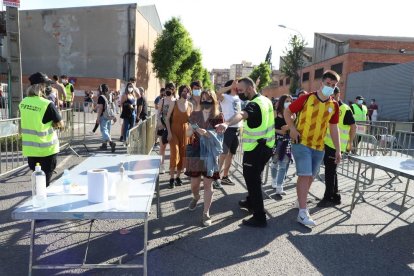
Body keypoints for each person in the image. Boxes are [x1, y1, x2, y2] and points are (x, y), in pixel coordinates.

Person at [284, 70, 341, 227]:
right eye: (328, 84)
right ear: (321, 83)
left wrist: (338, 149)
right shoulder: (307, 98)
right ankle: (303, 212)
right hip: (301, 143)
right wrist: (292, 129)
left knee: (310, 177)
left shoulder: (333, 105)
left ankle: (299, 201)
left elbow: (333, 127)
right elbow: (287, 111)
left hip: (319, 146)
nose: (330, 87)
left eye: (333, 85)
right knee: (305, 175)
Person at [216, 77, 275, 228]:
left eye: (240, 90)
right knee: (255, 177)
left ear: (249, 89)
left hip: (256, 149)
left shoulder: (254, 105)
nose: (239, 93)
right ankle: (250, 201)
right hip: (267, 147)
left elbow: (242, 115)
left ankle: (259, 216)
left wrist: (227, 122)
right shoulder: (265, 100)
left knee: (253, 180)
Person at [186, 90, 224, 227]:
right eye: (203, 98)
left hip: (210, 154)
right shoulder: (195, 114)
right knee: (194, 184)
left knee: (208, 184)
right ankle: (196, 197)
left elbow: (220, 137)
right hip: (196, 151)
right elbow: (187, 133)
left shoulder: (219, 116)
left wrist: (207, 133)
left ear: (213, 100)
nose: (205, 101)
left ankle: (206, 213)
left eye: (208, 99)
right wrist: (194, 129)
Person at [19, 72, 64, 187]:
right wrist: (54, 123)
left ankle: (37, 199)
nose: (48, 88)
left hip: (31, 151)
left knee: (37, 181)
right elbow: (61, 125)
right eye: (46, 85)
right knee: (45, 184)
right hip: (47, 150)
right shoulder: (47, 104)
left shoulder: (23, 103)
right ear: (41, 87)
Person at [318, 87, 356, 207]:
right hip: (327, 144)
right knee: (331, 171)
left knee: (330, 172)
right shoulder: (329, 106)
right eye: (331, 94)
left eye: (335, 94)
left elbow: (353, 126)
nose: (333, 96)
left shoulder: (344, 109)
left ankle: (328, 196)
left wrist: (350, 143)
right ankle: (335, 195)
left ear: (339, 94)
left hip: (336, 145)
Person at [216, 79, 242, 188]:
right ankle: (215, 177)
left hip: (237, 129)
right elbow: (218, 93)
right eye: (236, 85)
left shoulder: (238, 97)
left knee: (231, 155)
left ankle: (225, 177)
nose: (238, 87)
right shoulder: (225, 97)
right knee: (223, 155)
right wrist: (230, 86)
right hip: (227, 129)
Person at [166, 85, 192, 188]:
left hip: (185, 133)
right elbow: (167, 118)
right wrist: (168, 132)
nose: (185, 93)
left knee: (182, 155)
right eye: (184, 91)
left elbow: (191, 121)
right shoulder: (174, 103)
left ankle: (178, 177)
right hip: (173, 131)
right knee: (175, 153)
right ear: (180, 92)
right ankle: (171, 178)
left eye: (187, 91)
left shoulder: (190, 105)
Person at [270, 94, 294, 195]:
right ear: (282, 102)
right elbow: (269, 127)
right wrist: (279, 131)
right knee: (275, 163)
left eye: (290, 101)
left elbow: (294, 127)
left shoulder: (293, 114)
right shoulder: (275, 113)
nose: (289, 102)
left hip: (287, 142)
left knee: (283, 165)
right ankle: (274, 181)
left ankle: (279, 187)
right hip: (276, 141)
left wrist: (289, 127)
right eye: (286, 100)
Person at [158, 83, 176, 174]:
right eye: (167, 88)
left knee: (173, 147)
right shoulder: (162, 101)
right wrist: (160, 123)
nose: (169, 90)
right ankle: (161, 165)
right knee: (162, 147)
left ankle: (173, 166)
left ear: (174, 90)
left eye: (171, 88)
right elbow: (158, 114)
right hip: (162, 126)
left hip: (173, 126)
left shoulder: (175, 101)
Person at [96, 84, 117, 152]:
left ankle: (111, 142)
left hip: (103, 116)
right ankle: (104, 145)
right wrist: (114, 116)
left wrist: (98, 118)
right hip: (109, 116)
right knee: (108, 131)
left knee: (104, 130)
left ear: (101, 90)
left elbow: (100, 108)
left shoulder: (101, 97)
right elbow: (112, 106)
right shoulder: (110, 96)